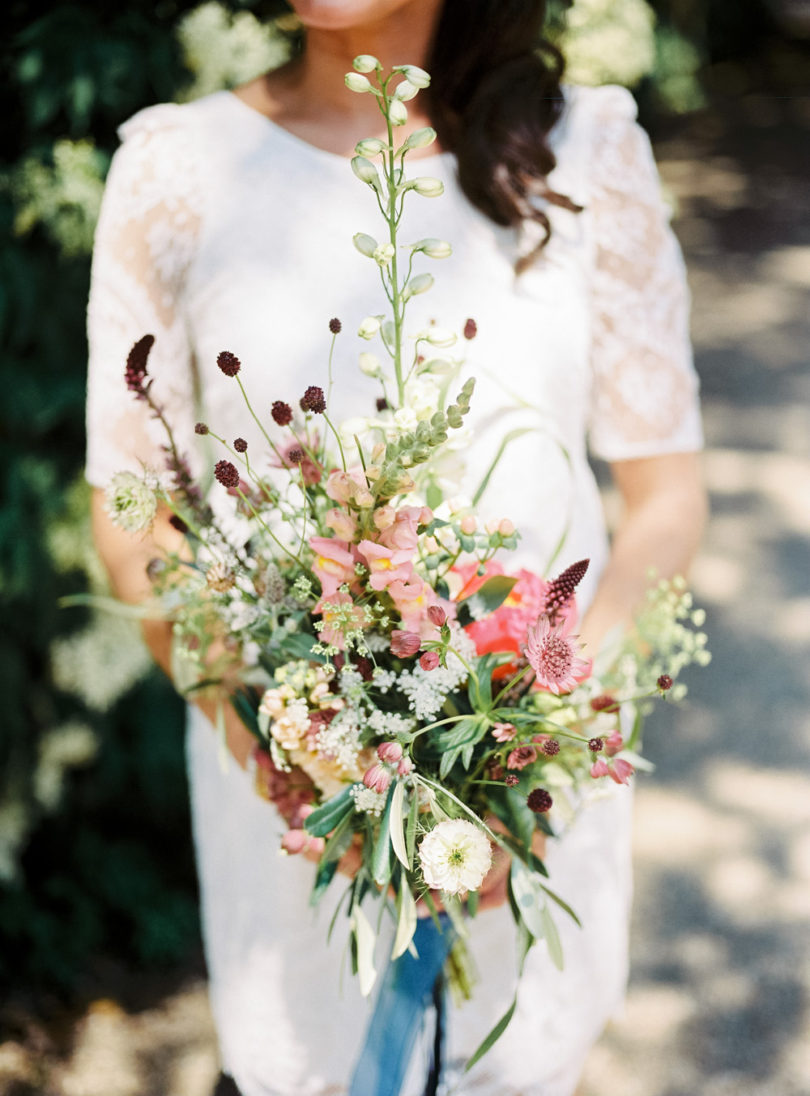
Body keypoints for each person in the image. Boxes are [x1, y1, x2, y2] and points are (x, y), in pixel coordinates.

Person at [86, 1, 707, 1093]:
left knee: (512, 1061)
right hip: (291, 800)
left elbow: (665, 495)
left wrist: (540, 744)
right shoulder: (175, 170)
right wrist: (296, 768)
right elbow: (136, 522)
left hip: (533, 798)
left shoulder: (585, 148)